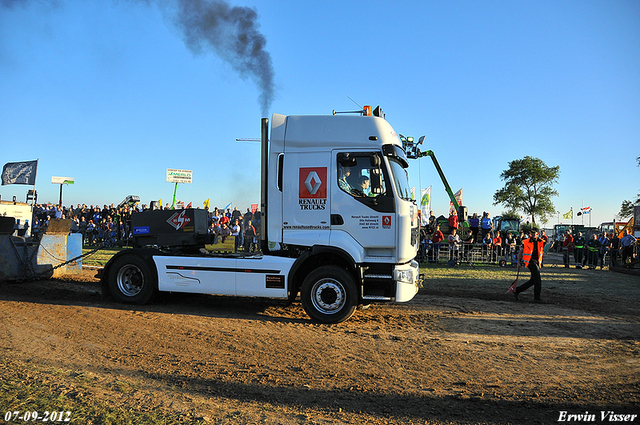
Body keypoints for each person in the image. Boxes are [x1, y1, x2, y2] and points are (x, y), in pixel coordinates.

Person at [509, 228, 546, 303]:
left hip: (537, 262)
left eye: (533, 233)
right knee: (538, 280)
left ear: (537, 234)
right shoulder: (526, 241)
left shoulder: (541, 241)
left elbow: (545, 248)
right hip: (530, 262)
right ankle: (537, 298)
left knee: (533, 280)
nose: (531, 234)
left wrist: (551, 245)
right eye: (531, 233)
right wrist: (518, 262)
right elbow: (520, 252)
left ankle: (518, 290)